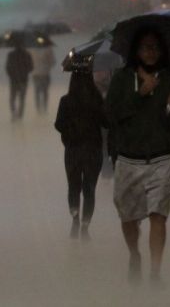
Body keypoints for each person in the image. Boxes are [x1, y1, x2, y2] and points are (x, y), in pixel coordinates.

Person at [105, 30, 170, 284]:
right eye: (145, 47)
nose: (150, 52)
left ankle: (155, 272)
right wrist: (140, 93)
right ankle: (134, 255)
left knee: (158, 215)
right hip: (129, 159)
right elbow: (111, 115)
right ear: (136, 52)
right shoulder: (121, 79)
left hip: (161, 158)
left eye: (155, 47)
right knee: (128, 217)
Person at [54, 71, 107, 240]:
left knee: (73, 186)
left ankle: (75, 217)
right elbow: (106, 122)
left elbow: (58, 124)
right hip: (93, 149)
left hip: (73, 149)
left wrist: (71, 132)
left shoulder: (66, 101)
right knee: (89, 188)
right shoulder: (97, 99)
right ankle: (85, 225)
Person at [6, 44, 33, 121]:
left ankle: (14, 113)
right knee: (22, 99)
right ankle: (20, 116)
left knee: (12, 98)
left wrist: (11, 75)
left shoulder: (11, 55)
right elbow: (31, 67)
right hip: (23, 80)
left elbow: (7, 67)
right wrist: (25, 71)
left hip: (13, 80)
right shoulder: (27, 55)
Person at [31, 46, 56, 114]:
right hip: (45, 73)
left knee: (37, 92)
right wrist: (47, 65)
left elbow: (29, 61)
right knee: (45, 92)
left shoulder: (32, 48)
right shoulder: (48, 49)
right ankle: (44, 108)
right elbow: (53, 62)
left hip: (35, 74)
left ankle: (38, 109)